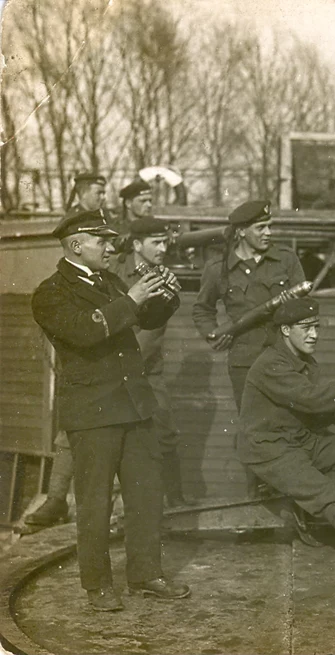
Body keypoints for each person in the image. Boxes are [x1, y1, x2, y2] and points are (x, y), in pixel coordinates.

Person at [31, 208, 190, 612]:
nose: (109, 246)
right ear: (77, 245)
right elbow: (86, 331)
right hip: (93, 412)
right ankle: (97, 585)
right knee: (94, 502)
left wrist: (166, 296)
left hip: (133, 406)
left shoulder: (109, 280)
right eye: (101, 241)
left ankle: (145, 573)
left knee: (147, 494)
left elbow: (143, 317)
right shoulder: (50, 293)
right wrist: (133, 298)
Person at [237, 297, 335, 574]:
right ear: (285, 330)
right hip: (269, 447)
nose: (315, 335)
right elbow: (310, 399)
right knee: (326, 492)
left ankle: (307, 506)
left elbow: (314, 411)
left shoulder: (303, 361)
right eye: (306, 328)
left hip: (300, 439)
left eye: (317, 327)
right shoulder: (270, 364)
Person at [21, 174, 119, 532]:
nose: (102, 195)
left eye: (105, 191)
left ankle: (90, 505)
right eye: (97, 190)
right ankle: (60, 499)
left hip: (118, 348)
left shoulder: (108, 229)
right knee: (74, 431)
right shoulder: (76, 230)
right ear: (80, 193)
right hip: (85, 346)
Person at [110, 216, 193, 508]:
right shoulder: (113, 268)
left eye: (164, 242)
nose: (163, 248)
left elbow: (150, 336)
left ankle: (175, 500)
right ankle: (63, 498)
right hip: (107, 365)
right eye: (155, 242)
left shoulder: (163, 280)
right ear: (136, 244)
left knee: (164, 431)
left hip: (144, 370)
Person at [192, 200, 305, 409]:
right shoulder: (218, 268)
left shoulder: (286, 260)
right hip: (245, 362)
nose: (268, 232)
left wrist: (292, 308)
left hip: (285, 357)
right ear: (242, 231)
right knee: (251, 424)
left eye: (270, 226)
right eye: (261, 227)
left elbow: (307, 308)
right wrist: (212, 333)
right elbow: (202, 309)